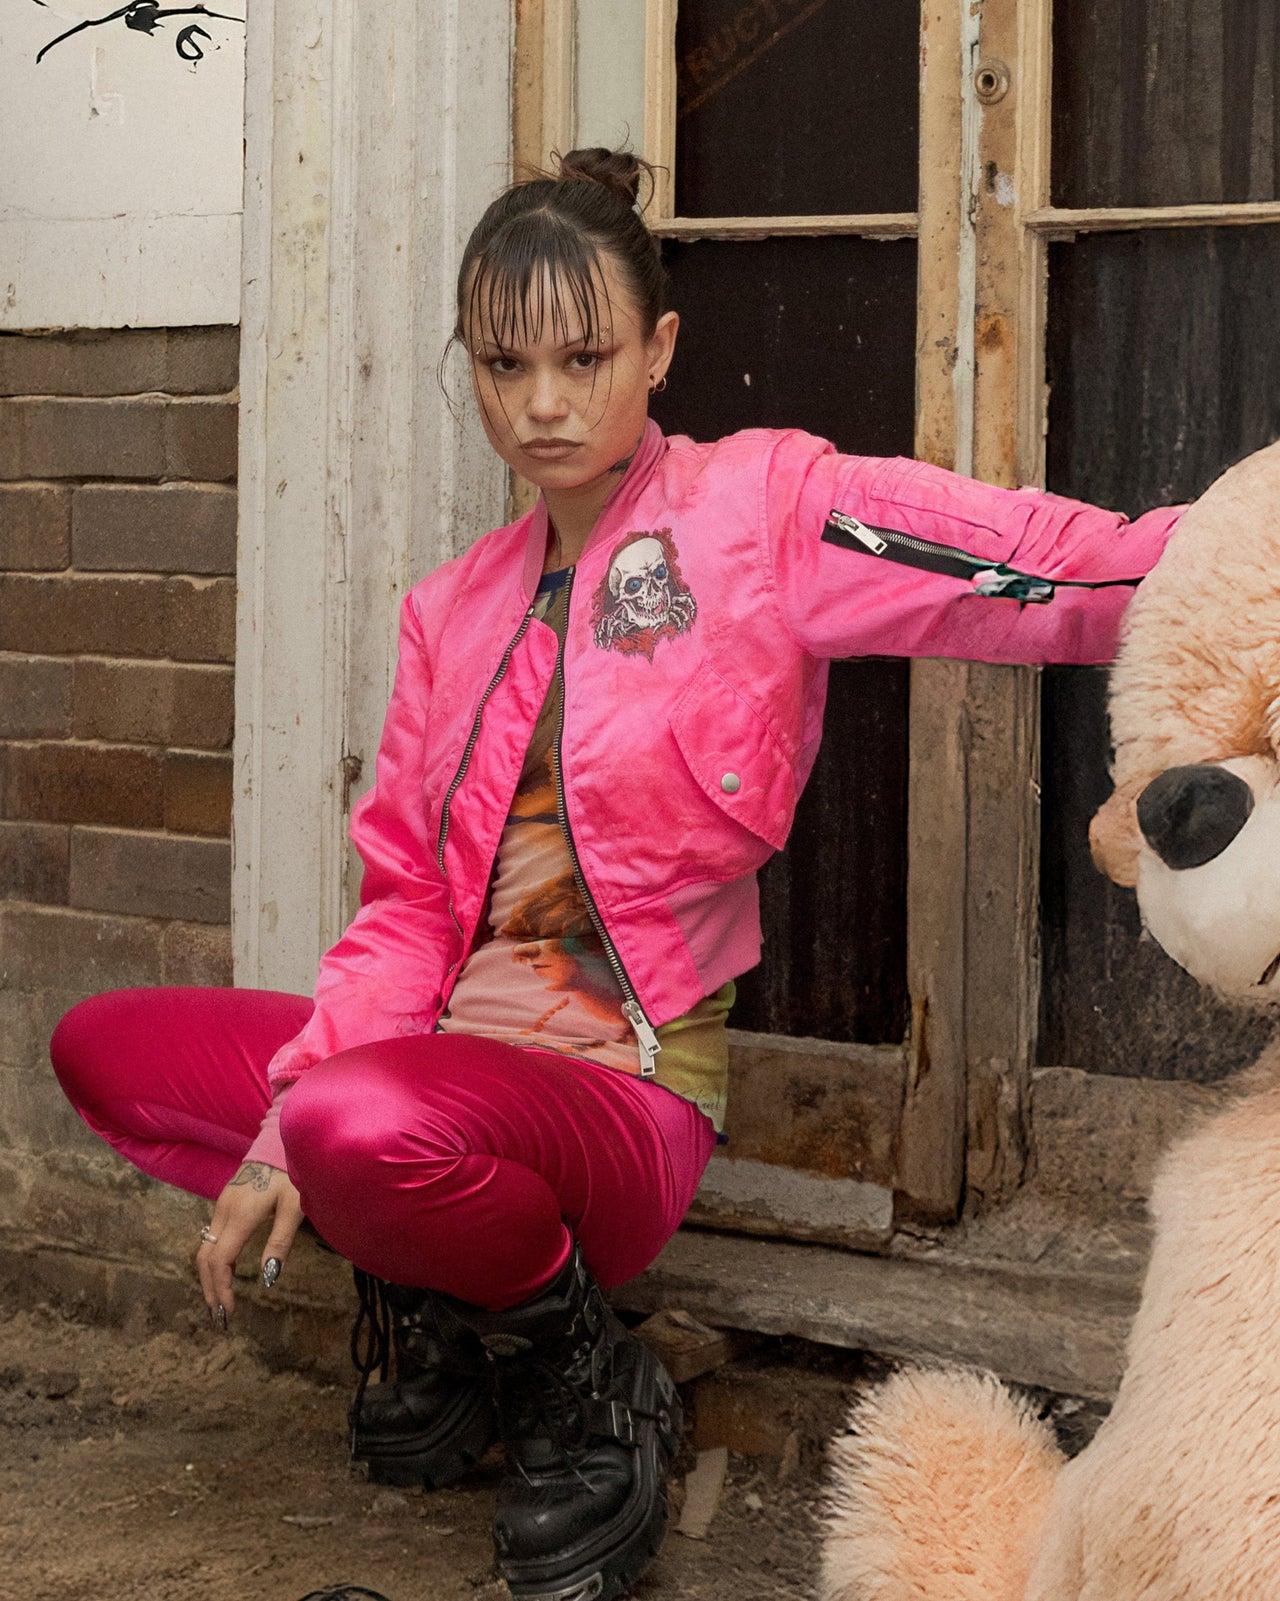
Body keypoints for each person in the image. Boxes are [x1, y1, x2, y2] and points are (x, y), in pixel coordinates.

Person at [49, 146, 1184, 1601]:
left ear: (657, 349)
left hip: (623, 1097)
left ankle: (583, 1380)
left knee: (346, 1115)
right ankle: (447, 1291)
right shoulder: (449, 610)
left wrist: (1230, 567)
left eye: (585, 356)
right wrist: (280, 1134)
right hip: (437, 1069)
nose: (541, 402)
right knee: (112, 1052)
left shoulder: (757, 511)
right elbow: (402, 907)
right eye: (504, 362)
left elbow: (1019, 565)